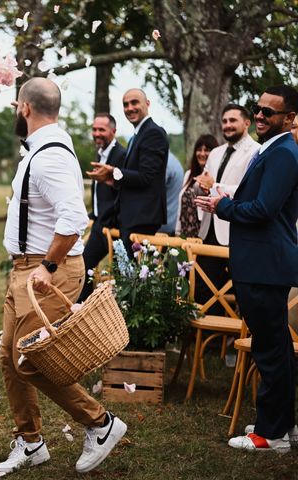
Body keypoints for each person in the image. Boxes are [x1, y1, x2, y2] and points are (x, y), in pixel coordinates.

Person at [0, 77, 126, 475]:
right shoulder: (42, 148)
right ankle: (31, 441)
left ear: (25, 108)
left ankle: (100, 424)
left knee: (31, 362)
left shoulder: (49, 155)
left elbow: (74, 218)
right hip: (26, 268)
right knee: (9, 357)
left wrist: (47, 267)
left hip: (45, 271)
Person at [196, 85, 298, 451]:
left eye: (268, 113)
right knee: (279, 350)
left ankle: (270, 435)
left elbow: (264, 210)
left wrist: (223, 207)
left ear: (289, 118)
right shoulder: (274, 150)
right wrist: (229, 201)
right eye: (257, 109)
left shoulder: (285, 153)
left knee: (270, 353)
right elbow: (259, 203)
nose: (259, 116)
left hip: (264, 266)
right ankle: (283, 425)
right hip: (263, 264)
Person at [87, 88, 168, 254]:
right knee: (125, 275)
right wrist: (112, 180)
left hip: (142, 218)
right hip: (130, 218)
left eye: (134, 102)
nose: (129, 108)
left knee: (132, 276)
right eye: (125, 104)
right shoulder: (137, 136)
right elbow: (134, 177)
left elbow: (146, 177)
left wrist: (113, 172)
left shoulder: (153, 133)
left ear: (147, 104)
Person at [194, 105, 259, 313]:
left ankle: (235, 341)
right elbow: (204, 182)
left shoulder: (255, 152)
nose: (228, 125)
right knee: (204, 290)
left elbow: (247, 191)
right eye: (224, 121)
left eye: (233, 120)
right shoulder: (216, 152)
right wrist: (200, 184)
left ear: (247, 123)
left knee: (241, 293)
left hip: (235, 230)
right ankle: (209, 343)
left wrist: (214, 186)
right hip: (209, 230)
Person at [77, 113, 125, 302]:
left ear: (113, 131)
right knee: (86, 266)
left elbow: (122, 191)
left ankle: (83, 307)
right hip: (99, 219)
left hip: (110, 224)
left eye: (101, 130)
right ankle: (84, 308)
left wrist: (106, 218)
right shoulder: (101, 152)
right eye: (94, 129)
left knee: (86, 265)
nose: (97, 133)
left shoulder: (120, 156)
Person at [175, 134, 219, 237]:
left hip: (203, 232)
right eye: (199, 149)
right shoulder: (188, 175)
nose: (202, 153)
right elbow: (180, 206)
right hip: (185, 231)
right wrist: (177, 231)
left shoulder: (214, 177)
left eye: (207, 150)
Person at [157, 151, 184, 235]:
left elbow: (153, 192)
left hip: (162, 226)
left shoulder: (165, 163)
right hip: (172, 222)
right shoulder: (173, 160)